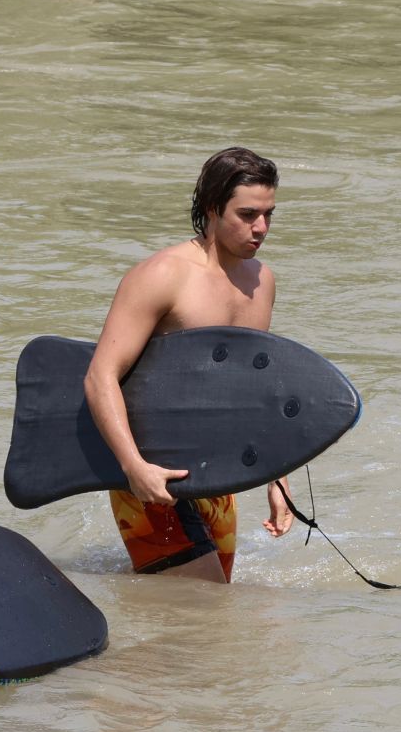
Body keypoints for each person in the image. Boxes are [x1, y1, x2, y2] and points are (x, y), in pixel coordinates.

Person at [83, 147, 298, 581]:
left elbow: (255, 387)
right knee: (203, 597)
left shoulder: (261, 282)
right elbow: (100, 375)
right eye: (247, 214)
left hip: (216, 473)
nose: (261, 228)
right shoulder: (163, 276)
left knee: (200, 615)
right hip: (151, 467)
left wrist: (277, 477)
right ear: (211, 209)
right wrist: (132, 467)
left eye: (269, 214)